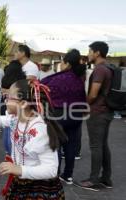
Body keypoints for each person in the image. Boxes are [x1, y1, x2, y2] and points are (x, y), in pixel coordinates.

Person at [0, 79, 66, 200]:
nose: (5, 100)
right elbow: (3, 120)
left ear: (23, 103)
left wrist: (19, 169)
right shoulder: (17, 118)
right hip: (21, 181)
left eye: (9, 97)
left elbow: (51, 170)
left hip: (39, 187)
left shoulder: (40, 130)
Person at [42, 49, 87, 185]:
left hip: (59, 115)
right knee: (71, 146)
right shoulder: (79, 78)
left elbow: (41, 86)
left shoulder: (56, 79)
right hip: (76, 115)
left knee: (56, 145)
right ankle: (68, 175)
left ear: (67, 63)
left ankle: (54, 174)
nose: (60, 64)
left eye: (62, 62)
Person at [75, 41, 114, 191]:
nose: (88, 54)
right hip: (107, 111)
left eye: (90, 51)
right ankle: (106, 178)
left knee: (96, 146)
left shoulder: (99, 70)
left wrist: (85, 105)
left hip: (97, 113)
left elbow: (93, 94)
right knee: (103, 144)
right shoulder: (110, 67)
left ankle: (93, 180)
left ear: (97, 53)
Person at [0, 60, 26, 155]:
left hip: (8, 108)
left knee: (7, 128)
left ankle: (8, 154)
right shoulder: (22, 80)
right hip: (18, 110)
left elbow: (3, 92)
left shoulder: (4, 79)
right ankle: (14, 154)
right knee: (15, 131)